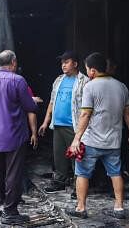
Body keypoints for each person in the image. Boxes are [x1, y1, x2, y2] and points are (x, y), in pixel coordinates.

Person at [66, 52, 129, 219]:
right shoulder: (121, 86)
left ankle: (81, 208)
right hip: (113, 141)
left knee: (83, 173)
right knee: (116, 173)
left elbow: (85, 115)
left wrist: (76, 138)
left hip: (91, 141)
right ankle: (119, 208)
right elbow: (128, 113)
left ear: (92, 70)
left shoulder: (90, 87)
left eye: (87, 69)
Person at [0, 50, 38, 225]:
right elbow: (29, 106)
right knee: (13, 174)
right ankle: (10, 212)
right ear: (13, 62)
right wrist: (34, 100)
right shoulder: (18, 80)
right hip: (14, 135)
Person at [38, 51, 89, 193]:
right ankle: (60, 181)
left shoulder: (84, 81)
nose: (63, 65)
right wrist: (45, 122)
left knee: (76, 157)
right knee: (59, 156)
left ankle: (77, 186)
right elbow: (52, 102)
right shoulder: (59, 80)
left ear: (75, 64)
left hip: (74, 126)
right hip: (58, 124)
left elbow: (88, 107)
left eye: (66, 62)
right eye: (62, 63)